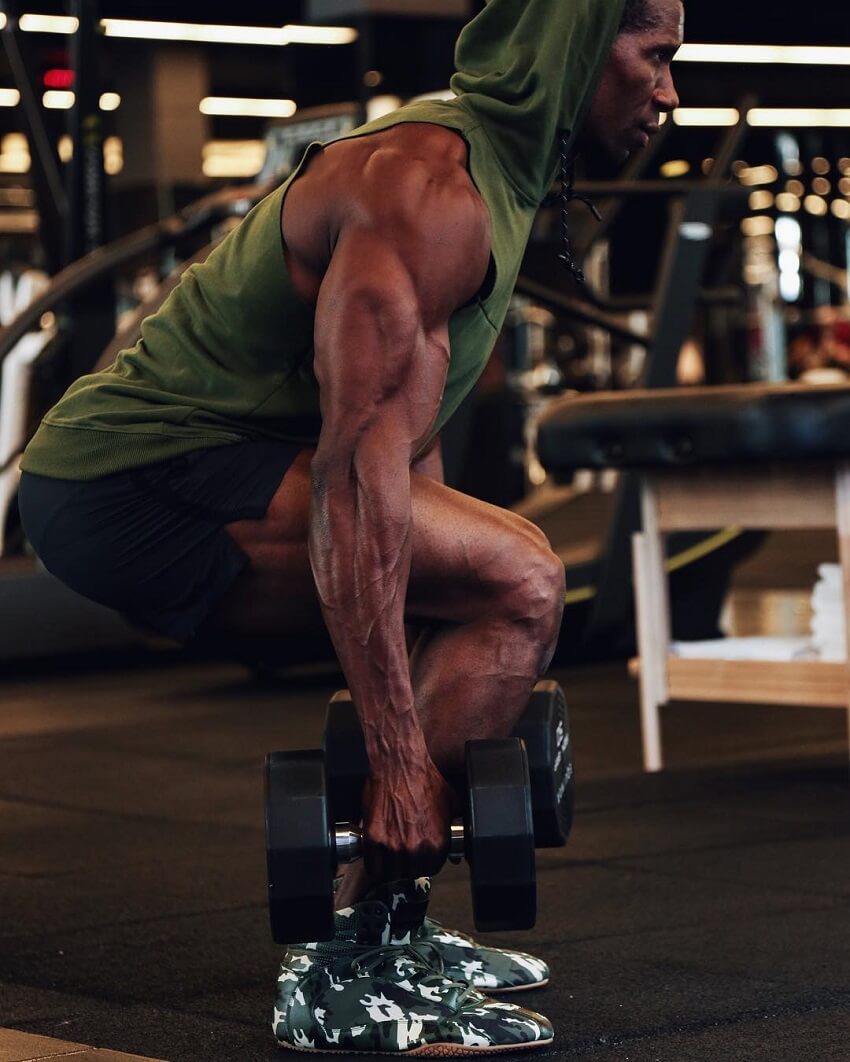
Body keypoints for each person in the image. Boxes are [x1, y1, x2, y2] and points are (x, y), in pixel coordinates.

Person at [18, 0, 683, 1052]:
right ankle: (342, 963)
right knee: (522, 578)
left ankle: (390, 931)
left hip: (212, 470)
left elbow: (404, 460)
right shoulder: (428, 187)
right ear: (573, 47)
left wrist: (413, 705)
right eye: (653, 59)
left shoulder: (497, 176)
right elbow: (352, 481)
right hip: (128, 484)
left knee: (490, 569)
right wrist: (395, 754)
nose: (667, 94)